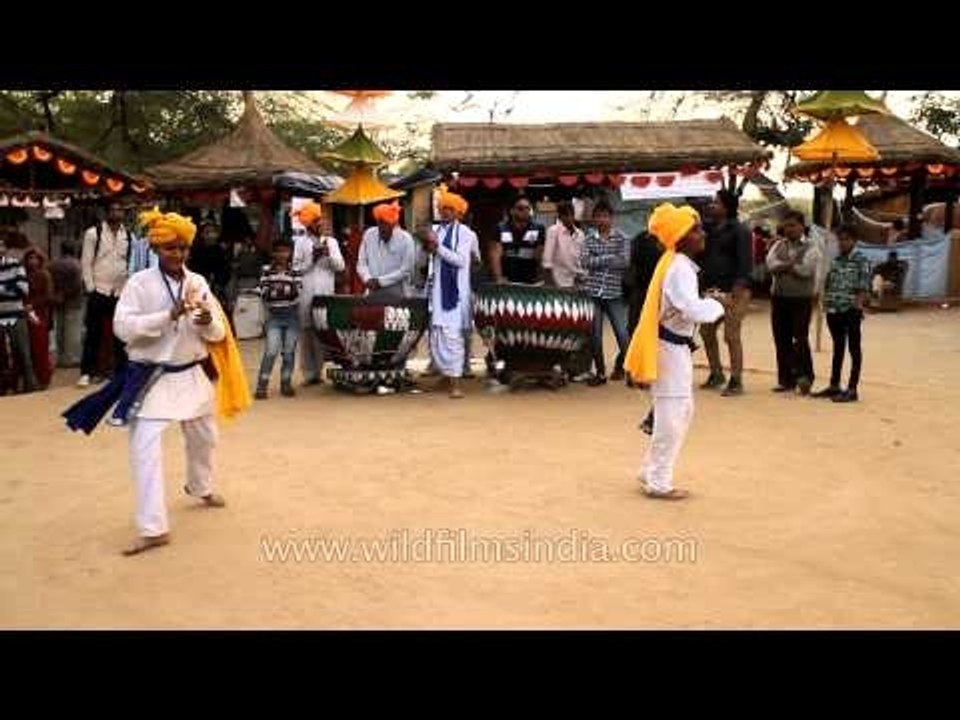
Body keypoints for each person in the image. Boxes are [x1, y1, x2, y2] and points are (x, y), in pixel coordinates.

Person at [62, 208, 251, 556]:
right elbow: (123, 328)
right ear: (156, 248)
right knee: (144, 449)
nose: (176, 254)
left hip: (193, 373)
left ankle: (200, 486)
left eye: (182, 248)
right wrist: (169, 315)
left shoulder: (198, 283)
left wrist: (208, 321)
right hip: (152, 379)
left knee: (205, 439)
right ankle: (153, 528)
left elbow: (219, 332)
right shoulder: (139, 283)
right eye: (169, 248)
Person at [624, 203, 725, 500]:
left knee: (679, 410)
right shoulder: (679, 266)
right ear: (680, 236)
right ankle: (658, 480)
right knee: (673, 413)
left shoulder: (676, 263)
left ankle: (650, 470)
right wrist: (718, 305)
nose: (701, 233)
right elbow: (690, 309)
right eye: (695, 229)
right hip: (669, 348)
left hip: (672, 347)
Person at [698, 189, 752, 396]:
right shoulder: (709, 229)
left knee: (731, 336)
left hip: (735, 291)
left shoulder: (740, 231)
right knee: (706, 331)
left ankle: (736, 380)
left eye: (717, 203)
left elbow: (745, 263)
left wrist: (737, 291)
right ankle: (716, 373)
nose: (712, 205)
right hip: (713, 290)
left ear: (727, 207)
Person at [423, 186, 476, 399]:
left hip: (456, 293)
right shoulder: (438, 232)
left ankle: (456, 384)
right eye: (442, 208)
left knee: (452, 336)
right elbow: (432, 260)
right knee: (437, 334)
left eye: (449, 209)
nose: (444, 212)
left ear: (458, 212)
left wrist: (438, 249)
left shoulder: (466, 233)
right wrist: (427, 247)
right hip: (437, 291)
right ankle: (446, 377)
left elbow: (462, 260)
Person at [812, 224, 870, 404]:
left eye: (846, 239)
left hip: (850, 310)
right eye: (840, 240)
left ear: (854, 240)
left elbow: (863, 287)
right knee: (838, 347)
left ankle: (852, 389)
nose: (842, 243)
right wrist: (826, 304)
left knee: (854, 348)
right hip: (833, 309)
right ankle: (834, 385)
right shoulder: (836, 260)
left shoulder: (861, 260)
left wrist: (857, 307)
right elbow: (829, 283)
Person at [766, 210, 821, 395]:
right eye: (786, 225)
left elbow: (806, 270)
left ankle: (805, 377)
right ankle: (786, 379)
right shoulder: (778, 245)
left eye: (793, 225)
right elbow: (770, 265)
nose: (789, 229)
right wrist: (789, 265)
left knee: (800, 338)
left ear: (801, 226)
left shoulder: (812, 246)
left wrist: (783, 266)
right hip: (779, 298)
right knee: (781, 339)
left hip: (801, 299)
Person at [579, 198, 631, 386]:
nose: (602, 220)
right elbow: (584, 262)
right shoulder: (588, 238)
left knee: (622, 334)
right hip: (593, 293)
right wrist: (611, 257)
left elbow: (624, 262)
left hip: (614, 293)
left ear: (612, 218)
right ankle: (600, 373)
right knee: (594, 335)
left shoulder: (623, 238)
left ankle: (631, 371)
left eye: (605, 216)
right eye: (598, 217)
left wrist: (599, 257)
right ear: (594, 219)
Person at [292, 201, 344, 386]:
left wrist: (328, 255)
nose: (319, 223)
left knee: (322, 331)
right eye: (316, 221)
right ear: (308, 224)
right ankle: (309, 374)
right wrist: (312, 259)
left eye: (320, 220)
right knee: (307, 333)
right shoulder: (300, 242)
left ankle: (319, 371)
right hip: (306, 294)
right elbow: (296, 269)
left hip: (325, 294)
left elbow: (341, 266)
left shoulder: (332, 242)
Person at [78, 200, 130, 387]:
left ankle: (120, 372)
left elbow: (127, 263)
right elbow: (86, 262)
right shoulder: (94, 233)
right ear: (106, 212)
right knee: (93, 333)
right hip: (99, 289)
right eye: (114, 209)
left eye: (120, 209)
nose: (117, 212)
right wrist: (90, 288)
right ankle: (86, 372)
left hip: (120, 291)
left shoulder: (128, 235)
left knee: (120, 334)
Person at [255, 237, 302, 399]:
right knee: (271, 351)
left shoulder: (295, 270)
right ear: (273, 253)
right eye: (278, 251)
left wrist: (275, 290)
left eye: (285, 251)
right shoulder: (266, 270)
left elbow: (297, 292)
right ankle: (262, 386)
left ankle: (286, 383)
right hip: (273, 317)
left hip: (292, 317)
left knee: (289, 352)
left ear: (290, 253)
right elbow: (262, 291)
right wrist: (284, 289)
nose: (282, 254)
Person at [356, 200, 415, 301]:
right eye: (380, 223)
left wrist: (380, 282)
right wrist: (367, 278)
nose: (382, 227)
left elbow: (406, 270)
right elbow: (361, 263)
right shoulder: (369, 234)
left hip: (399, 295)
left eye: (386, 224)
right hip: (373, 293)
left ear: (394, 224)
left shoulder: (406, 239)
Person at [0, 232, 35, 393]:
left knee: (23, 353)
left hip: (16, 314)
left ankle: (29, 388)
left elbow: (23, 289)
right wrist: (10, 287)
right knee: (2, 357)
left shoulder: (16, 264)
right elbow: (15, 288)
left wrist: (4, 289)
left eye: (1, 245)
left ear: (5, 248)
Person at [488, 195, 546, 284]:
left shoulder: (538, 229)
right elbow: (495, 256)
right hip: (507, 281)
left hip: (530, 281)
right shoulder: (500, 228)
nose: (525, 211)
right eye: (520, 208)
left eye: (528, 208)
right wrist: (498, 277)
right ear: (512, 211)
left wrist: (541, 278)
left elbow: (540, 256)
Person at [49, 242, 85, 367]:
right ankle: (71, 358)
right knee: (72, 331)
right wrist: (66, 294)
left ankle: (59, 357)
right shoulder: (77, 265)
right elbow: (78, 284)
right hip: (74, 302)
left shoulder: (53, 264)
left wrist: (58, 295)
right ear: (73, 250)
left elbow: (50, 283)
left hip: (57, 301)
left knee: (59, 330)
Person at [23, 248, 54, 389]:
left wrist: (32, 305)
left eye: (35, 258)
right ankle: (29, 380)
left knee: (40, 347)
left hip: (40, 314)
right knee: (26, 348)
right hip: (23, 313)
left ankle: (43, 379)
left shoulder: (44, 275)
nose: (32, 261)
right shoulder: (23, 274)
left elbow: (48, 296)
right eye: (30, 258)